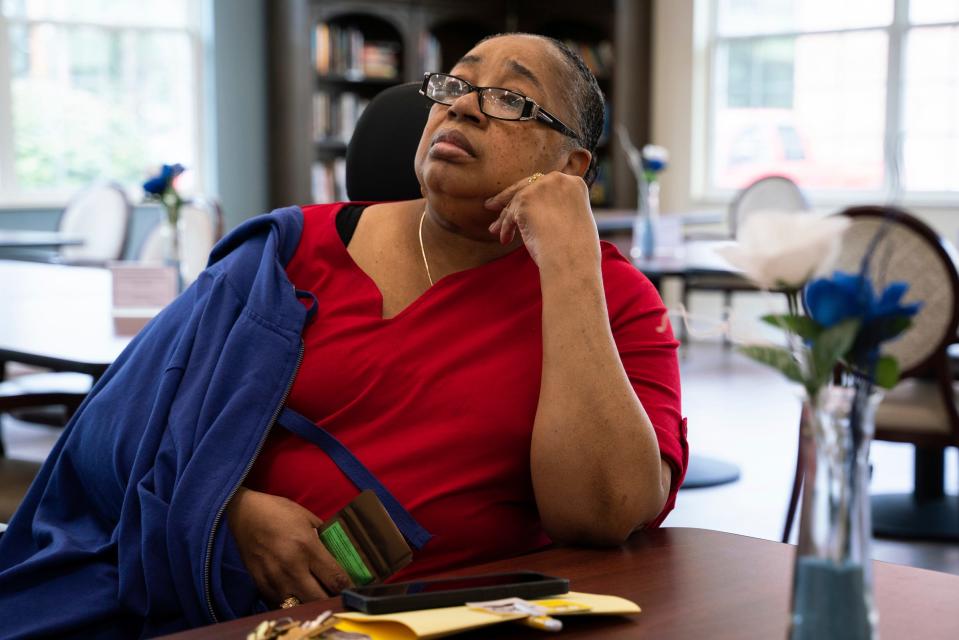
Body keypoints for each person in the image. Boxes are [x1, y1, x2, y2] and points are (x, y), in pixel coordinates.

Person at [0, 33, 686, 638]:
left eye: (511, 99)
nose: (463, 105)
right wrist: (224, 508)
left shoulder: (611, 298)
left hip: (434, 621)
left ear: (571, 168)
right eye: (455, 83)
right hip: (201, 600)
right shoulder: (287, 252)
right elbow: (111, 429)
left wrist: (569, 265)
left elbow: (601, 514)